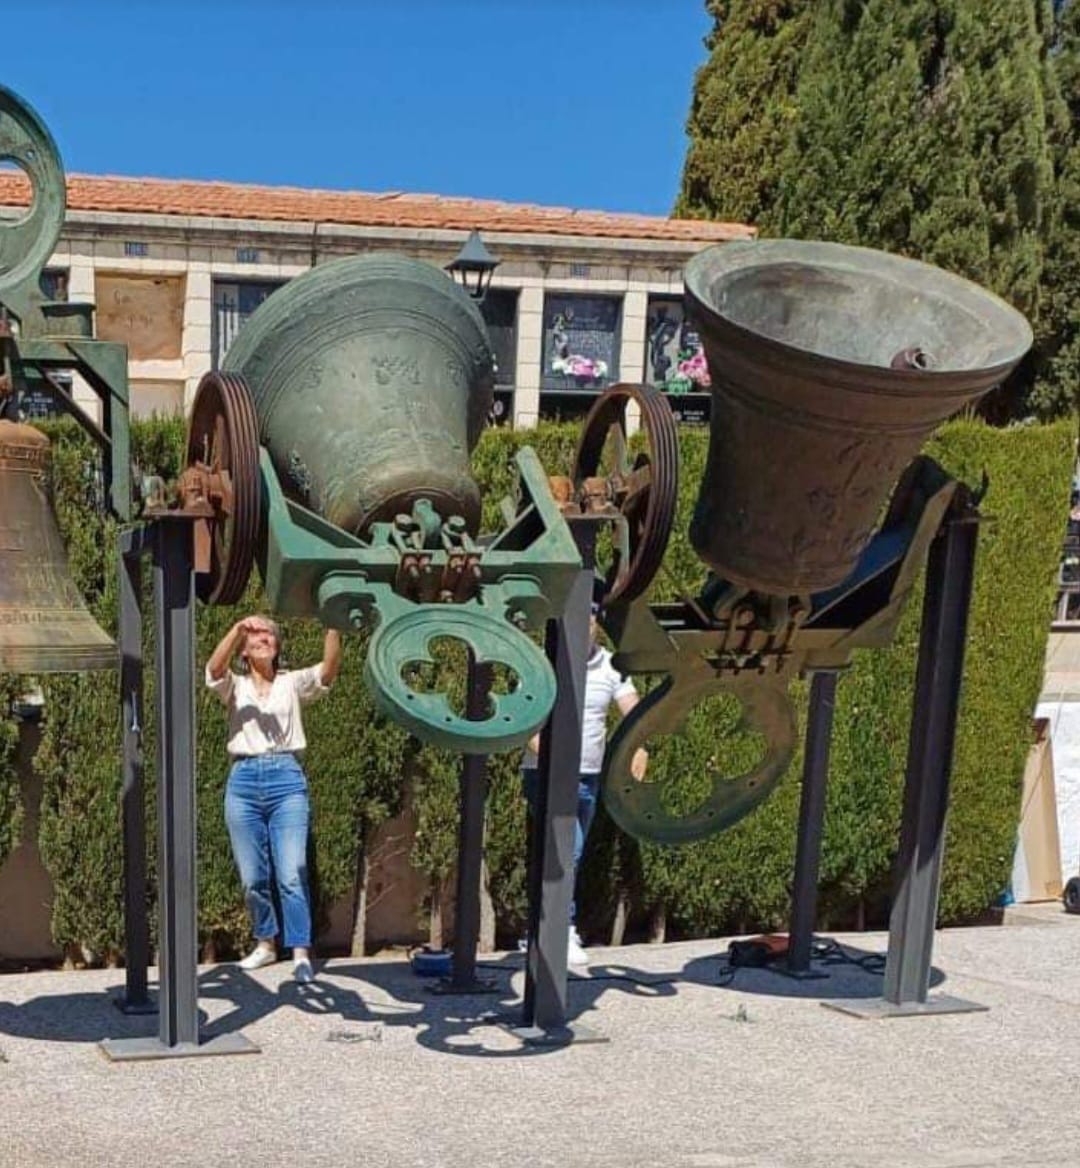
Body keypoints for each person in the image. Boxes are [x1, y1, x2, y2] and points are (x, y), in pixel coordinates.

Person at [205, 615, 341, 983]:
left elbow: (328, 671)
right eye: (257, 635)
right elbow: (214, 668)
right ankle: (266, 943)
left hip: (286, 779)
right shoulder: (235, 686)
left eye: (269, 634)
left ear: (277, 647)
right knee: (252, 876)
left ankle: (299, 951)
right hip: (244, 780)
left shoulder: (291, 682)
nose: (264, 638)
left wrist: (335, 622)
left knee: (292, 871)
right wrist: (236, 629)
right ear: (246, 651)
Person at [521, 598, 647, 966]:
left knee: (563, 854)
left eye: (591, 617)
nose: (585, 624)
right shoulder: (545, 664)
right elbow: (526, 719)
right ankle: (560, 930)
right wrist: (549, 757)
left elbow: (634, 712)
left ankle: (543, 928)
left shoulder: (611, 667)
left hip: (589, 776)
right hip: (544, 774)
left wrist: (640, 746)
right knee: (567, 851)